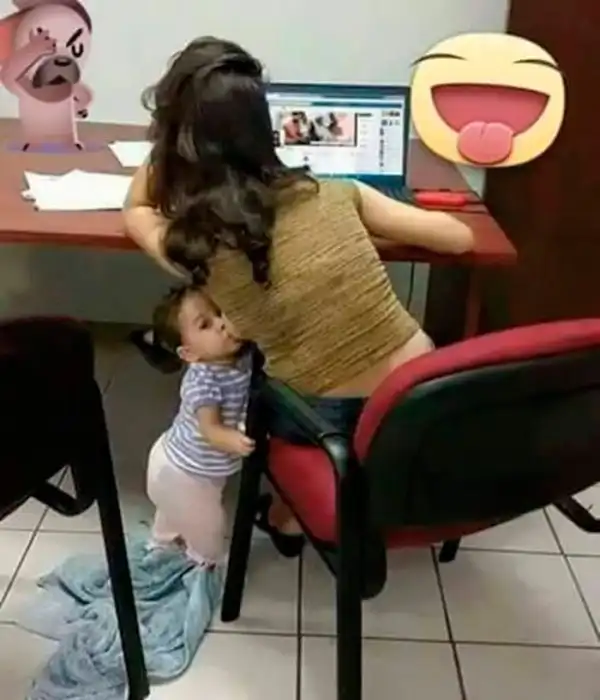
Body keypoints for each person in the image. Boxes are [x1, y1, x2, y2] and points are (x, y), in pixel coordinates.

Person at [123, 36, 474, 558]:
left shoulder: (197, 249)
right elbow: (459, 238)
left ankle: (287, 518)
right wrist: (351, 239)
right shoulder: (338, 195)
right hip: (418, 397)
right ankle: (306, 509)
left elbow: (135, 211)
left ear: (181, 144)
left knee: (261, 376)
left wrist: (167, 153)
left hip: (324, 419)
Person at [146, 283, 253, 568]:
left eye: (220, 311)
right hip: (183, 472)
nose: (221, 323)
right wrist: (237, 439)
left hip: (179, 464)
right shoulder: (203, 380)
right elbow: (211, 430)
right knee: (208, 529)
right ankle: (205, 566)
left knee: (175, 513)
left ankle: (161, 544)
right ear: (189, 354)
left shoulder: (239, 358)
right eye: (205, 324)